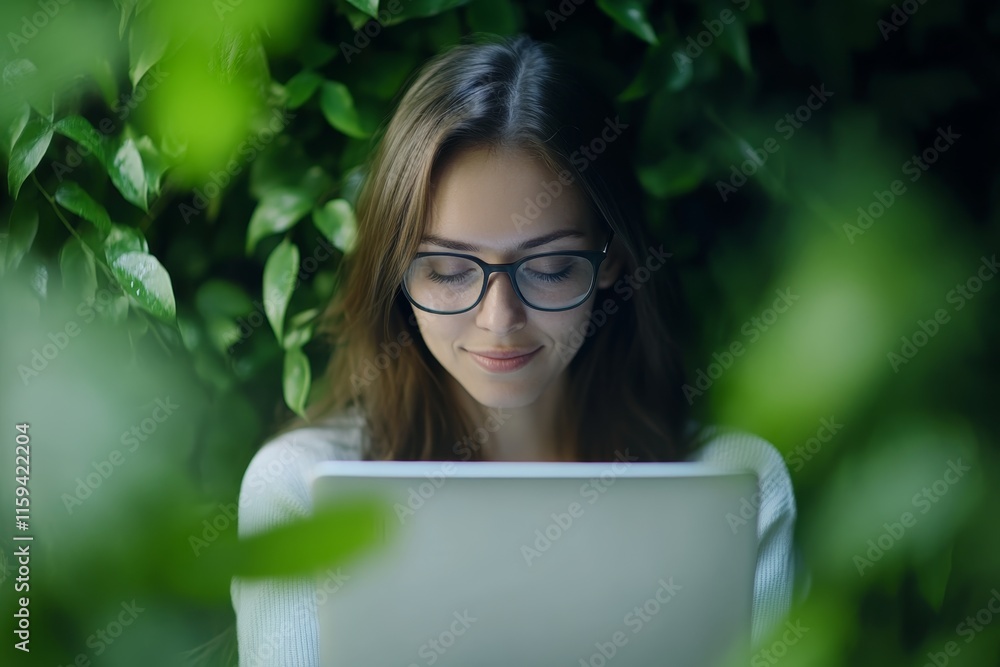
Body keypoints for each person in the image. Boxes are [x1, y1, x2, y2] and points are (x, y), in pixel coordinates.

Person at [231, 33, 796, 666]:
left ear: (610, 262)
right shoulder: (297, 492)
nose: (500, 320)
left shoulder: (736, 485)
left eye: (551, 266)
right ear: (397, 273)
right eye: (447, 270)